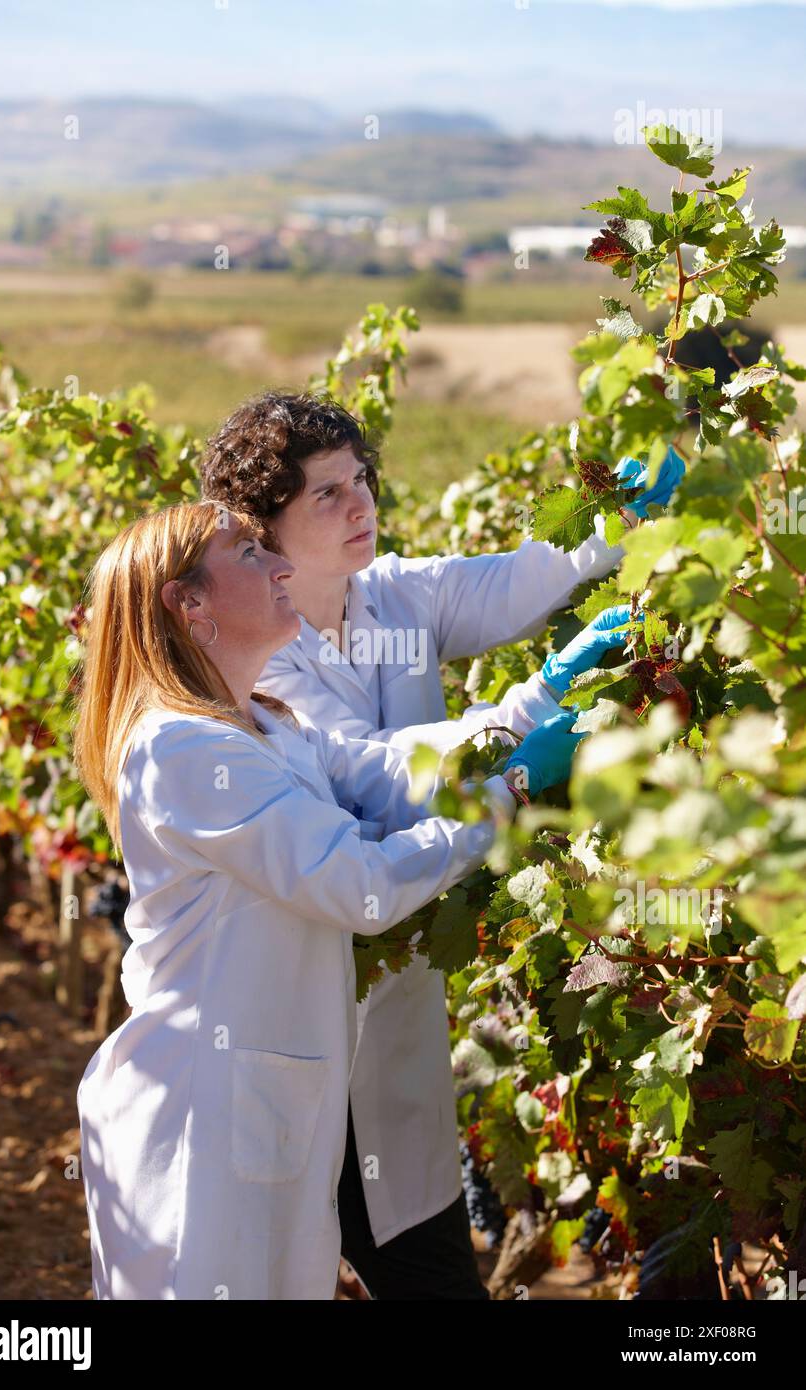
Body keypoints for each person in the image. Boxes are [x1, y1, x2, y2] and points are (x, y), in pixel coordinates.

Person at [198, 391, 684, 1298]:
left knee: (418, 1253)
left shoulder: (393, 594)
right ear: (262, 528)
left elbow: (519, 579)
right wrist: (534, 712)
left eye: (362, 481)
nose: (360, 505)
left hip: (398, 990)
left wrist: (621, 517)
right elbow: (370, 772)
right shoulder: (262, 657)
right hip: (304, 1001)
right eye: (326, 494)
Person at [72, 500, 593, 1300]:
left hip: (263, 1106)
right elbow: (362, 883)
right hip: (199, 1118)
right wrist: (513, 792)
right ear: (189, 602)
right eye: (249, 554)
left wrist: (534, 706)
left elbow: (384, 776)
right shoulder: (181, 748)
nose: (281, 566)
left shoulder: (266, 725)